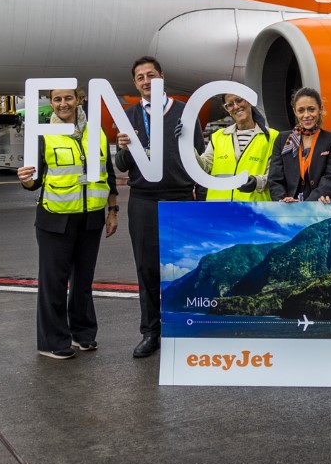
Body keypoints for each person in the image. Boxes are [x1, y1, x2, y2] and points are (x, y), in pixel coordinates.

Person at [17, 87, 118, 359]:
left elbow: (108, 174)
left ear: (79, 99)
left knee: (83, 281)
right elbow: (34, 181)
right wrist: (25, 180)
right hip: (55, 218)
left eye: (68, 98)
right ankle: (52, 342)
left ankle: (82, 333)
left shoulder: (97, 132)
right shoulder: (43, 135)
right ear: (51, 103)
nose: (63, 104)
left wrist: (113, 211)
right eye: (57, 99)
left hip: (91, 217)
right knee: (54, 282)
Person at [114, 56, 205, 359]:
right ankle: (151, 331)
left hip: (180, 197)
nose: (146, 81)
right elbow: (121, 165)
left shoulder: (184, 112)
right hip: (143, 200)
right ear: (135, 83)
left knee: (186, 266)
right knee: (147, 268)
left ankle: (187, 327)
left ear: (161, 77)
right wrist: (125, 148)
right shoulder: (129, 116)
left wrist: (201, 202)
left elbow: (201, 159)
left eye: (150, 75)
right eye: (140, 77)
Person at [268, 87, 331, 203]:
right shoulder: (282, 140)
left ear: (320, 109)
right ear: (295, 111)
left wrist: (307, 204)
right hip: (288, 206)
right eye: (301, 110)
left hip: (316, 205)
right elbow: (275, 178)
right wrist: (282, 200)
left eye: (311, 109)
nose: (306, 115)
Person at [198, 92, 273, 201]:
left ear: (249, 101)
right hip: (218, 207)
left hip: (254, 208)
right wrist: (185, 145)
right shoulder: (218, 136)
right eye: (230, 104)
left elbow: (276, 176)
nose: (236, 107)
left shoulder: (272, 137)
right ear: (227, 109)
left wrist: (257, 182)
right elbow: (204, 166)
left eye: (239, 100)